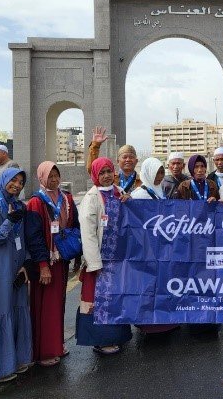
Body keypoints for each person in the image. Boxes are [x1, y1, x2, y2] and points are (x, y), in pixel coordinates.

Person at [0, 168, 49, 384]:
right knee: (0, 310)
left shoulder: (19, 205)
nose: (16, 185)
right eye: (13, 180)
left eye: (20, 182)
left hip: (17, 265)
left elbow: (23, 238)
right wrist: (8, 222)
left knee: (17, 308)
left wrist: (26, 263)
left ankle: (16, 359)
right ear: (4, 180)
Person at [26, 162, 79, 366]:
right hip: (47, 261)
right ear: (41, 177)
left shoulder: (66, 198)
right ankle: (45, 351)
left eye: (56, 175)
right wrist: (42, 265)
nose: (54, 179)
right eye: (50, 176)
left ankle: (56, 344)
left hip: (62, 258)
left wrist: (76, 255)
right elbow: (34, 237)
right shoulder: (36, 202)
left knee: (59, 303)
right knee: (45, 306)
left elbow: (74, 226)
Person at [78, 157, 132, 354]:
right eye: (102, 173)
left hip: (119, 259)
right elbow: (88, 232)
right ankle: (101, 340)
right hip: (100, 260)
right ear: (95, 175)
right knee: (98, 300)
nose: (107, 176)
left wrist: (130, 201)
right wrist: (94, 262)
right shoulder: (92, 198)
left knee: (117, 297)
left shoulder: (120, 192)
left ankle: (117, 336)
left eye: (109, 171)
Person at [127, 157, 179, 334]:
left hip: (163, 247)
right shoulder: (138, 195)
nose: (159, 176)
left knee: (164, 284)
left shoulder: (161, 192)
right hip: (146, 249)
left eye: (162, 172)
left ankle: (165, 321)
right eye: (156, 172)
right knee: (148, 286)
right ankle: (148, 324)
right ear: (148, 172)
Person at [86, 126, 142, 194]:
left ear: (136, 161)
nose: (128, 160)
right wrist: (95, 145)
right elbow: (93, 169)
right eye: (124, 157)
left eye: (131, 157)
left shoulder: (143, 181)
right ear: (118, 161)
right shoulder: (110, 178)